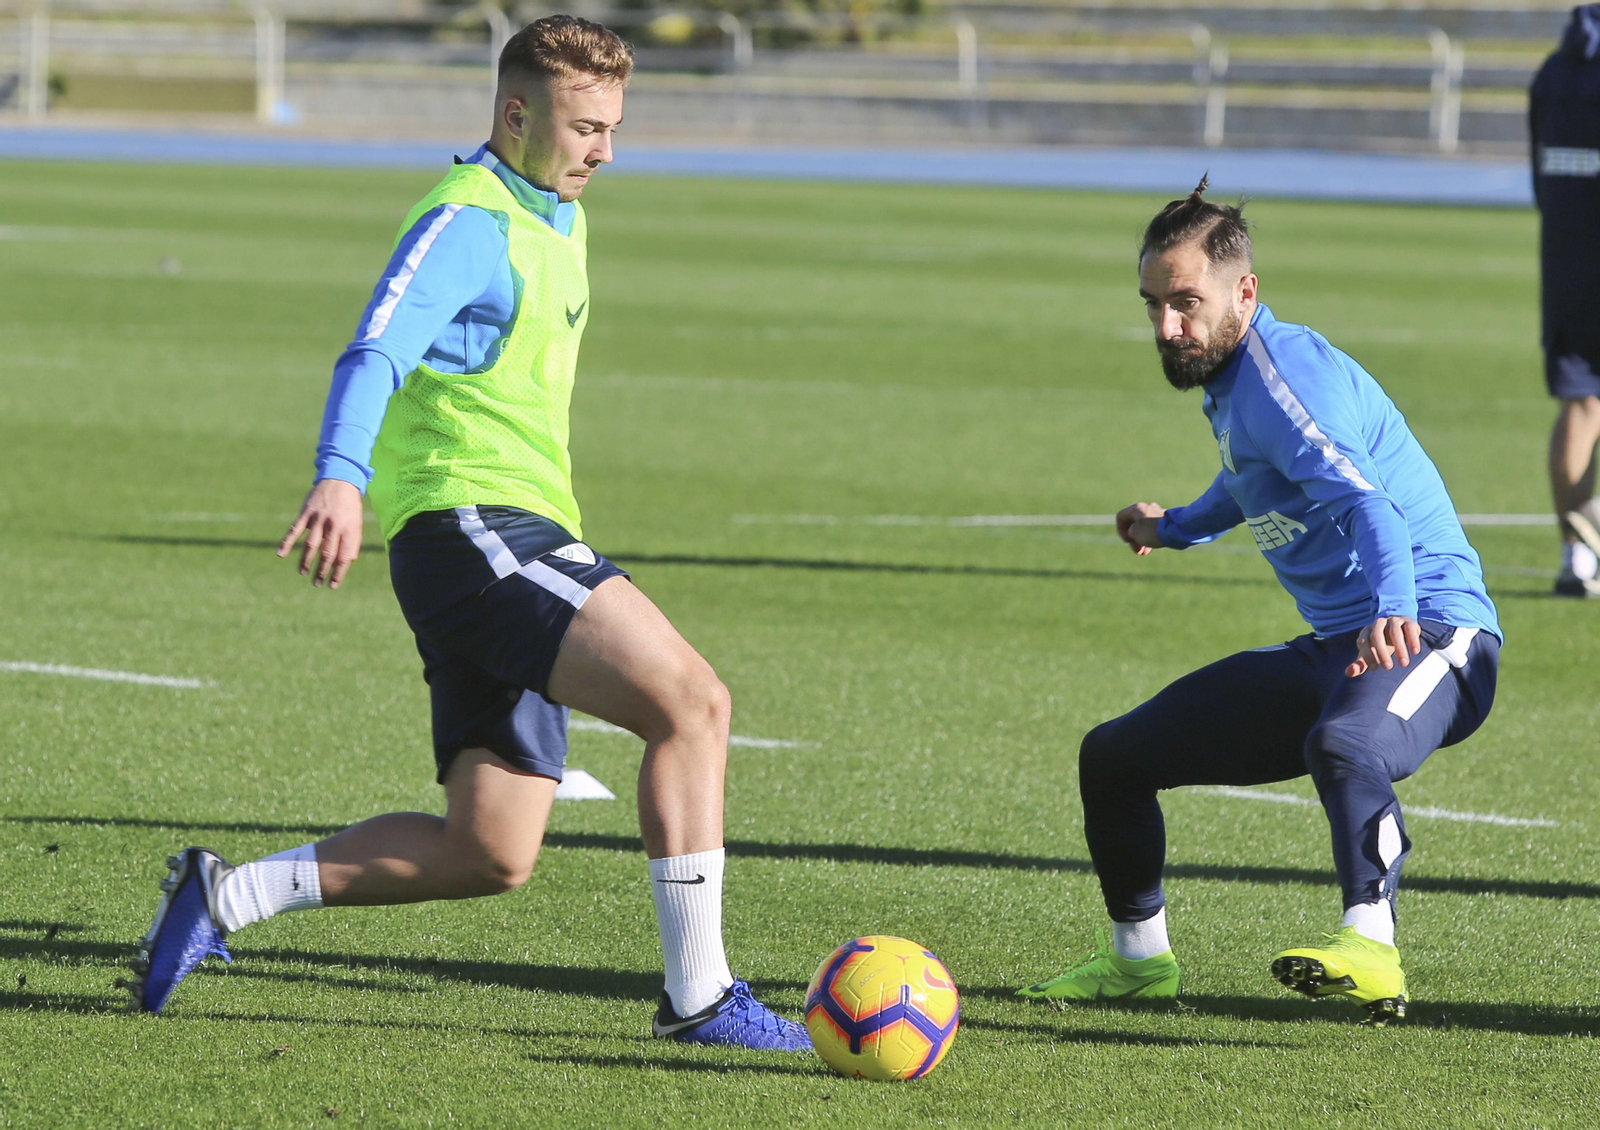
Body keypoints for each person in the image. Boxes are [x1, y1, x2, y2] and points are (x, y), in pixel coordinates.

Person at [130, 15, 810, 1051]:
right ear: (515, 113)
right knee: (693, 702)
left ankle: (223, 895)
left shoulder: (558, 217)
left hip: (505, 535)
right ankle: (700, 995)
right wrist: (340, 477)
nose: (604, 150)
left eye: (613, 126)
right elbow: (373, 351)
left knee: (490, 849)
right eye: (585, 127)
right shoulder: (466, 221)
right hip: (473, 530)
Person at [1015, 180, 1501, 1025]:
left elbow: (1367, 504)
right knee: (1116, 756)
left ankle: (1372, 946)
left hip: (1437, 633)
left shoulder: (1283, 378)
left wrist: (1394, 604)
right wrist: (1176, 528)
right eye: (1154, 305)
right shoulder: (1238, 381)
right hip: (1342, 647)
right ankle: (1138, 964)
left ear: (1245, 292)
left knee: (1346, 741)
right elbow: (1253, 481)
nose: (1167, 327)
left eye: (1184, 303)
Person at [1530, 5, 1600, 596]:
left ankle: (1576, 556)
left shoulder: (1554, 71)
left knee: (1581, 405)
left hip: (1568, 260)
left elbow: (1539, 177)